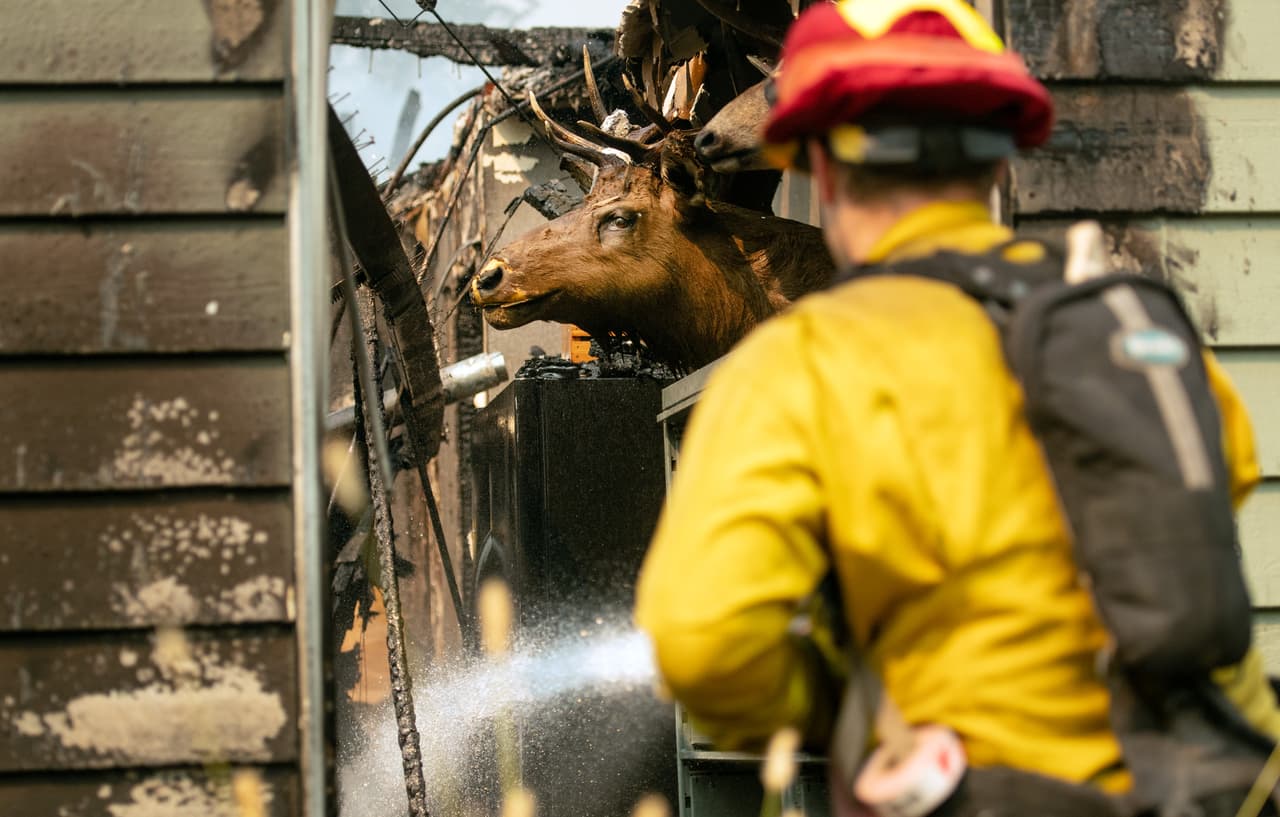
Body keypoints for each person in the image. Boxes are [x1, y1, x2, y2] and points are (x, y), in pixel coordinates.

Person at [634, 0, 1280, 813]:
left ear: (824, 170)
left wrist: (853, 712)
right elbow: (1222, 486)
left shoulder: (803, 365)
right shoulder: (1132, 321)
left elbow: (702, 645)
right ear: (995, 163)